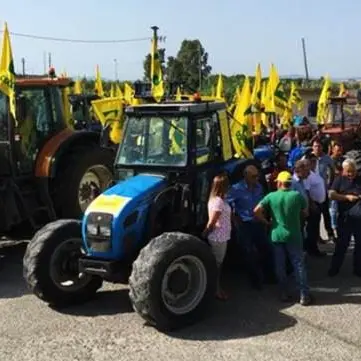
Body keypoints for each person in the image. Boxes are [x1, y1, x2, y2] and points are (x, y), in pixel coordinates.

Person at [254, 171, 312, 305]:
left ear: (279, 183)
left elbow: (256, 211)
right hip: (294, 235)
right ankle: (304, 295)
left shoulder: (271, 196)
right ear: (290, 184)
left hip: (276, 234)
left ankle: (284, 293)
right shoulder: (296, 196)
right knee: (298, 264)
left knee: (279, 265)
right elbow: (305, 212)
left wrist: (266, 222)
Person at [227, 164, 274, 289]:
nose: (256, 179)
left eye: (257, 176)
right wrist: (234, 220)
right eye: (253, 176)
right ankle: (255, 281)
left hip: (258, 223)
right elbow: (227, 204)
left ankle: (269, 276)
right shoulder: (236, 189)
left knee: (266, 249)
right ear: (246, 176)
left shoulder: (259, 187)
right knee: (248, 253)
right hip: (245, 225)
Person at [328, 159, 361, 277]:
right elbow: (331, 194)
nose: (351, 174)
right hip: (345, 218)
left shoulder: (359, 179)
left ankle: (358, 269)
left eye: (353, 171)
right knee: (342, 245)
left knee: (359, 246)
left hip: (359, 220)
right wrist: (346, 197)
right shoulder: (339, 180)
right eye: (349, 172)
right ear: (344, 171)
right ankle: (334, 269)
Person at [203, 173, 231, 300]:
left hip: (220, 235)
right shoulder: (219, 202)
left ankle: (215, 288)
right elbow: (213, 221)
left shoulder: (214, 199)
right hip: (219, 237)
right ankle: (216, 289)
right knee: (217, 266)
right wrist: (206, 232)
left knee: (217, 264)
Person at [303, 155, 327, 257]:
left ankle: (312, 248)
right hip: (313, 205)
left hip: (319, 204)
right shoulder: (307, 175)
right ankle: (312, 250)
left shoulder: (314, 172)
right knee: (312, 229)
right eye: (311, 161)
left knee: (315, 228)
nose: (313, 163)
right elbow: (307, 191)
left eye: (315, 161)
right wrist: (312, 205)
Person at [311, 139, 335, 242]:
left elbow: (332, 171)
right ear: (312, 147)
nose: (317, 148)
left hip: (323, 190)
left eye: (319, 146)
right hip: (312, 192)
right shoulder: (309, 158)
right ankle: (317, 236)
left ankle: (330, 234)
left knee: (326, 214)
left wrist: (330, 185)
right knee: (315, 216)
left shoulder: (327, 159)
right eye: (315, 146)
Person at [329, 143, 345, 235]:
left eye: (341, 150)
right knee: (333, 209)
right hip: (333, 187)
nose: (339, 152)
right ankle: (334, 227)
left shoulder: (343, 159)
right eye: (337, 150)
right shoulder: (330, 160)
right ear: (333, 150)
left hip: (342, 187)